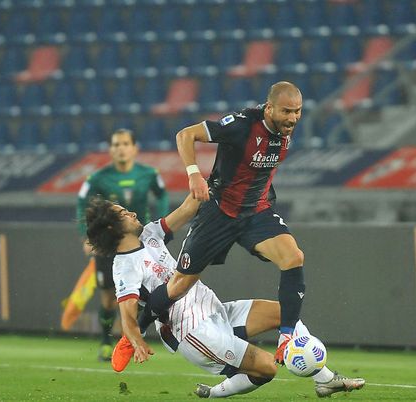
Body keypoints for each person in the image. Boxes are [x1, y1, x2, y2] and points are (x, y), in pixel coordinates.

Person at [84, 196, 366, 398]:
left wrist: (215, 182)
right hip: (192, 330)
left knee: (284, 313)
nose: (131, 212)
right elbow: (128, 315)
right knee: (267, 368)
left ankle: (324, 380)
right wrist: (135, 340)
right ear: (112, 228)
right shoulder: (123, 266)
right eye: (122, 213)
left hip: (215, 308)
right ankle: (216, 393)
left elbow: (189, 206)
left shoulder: (151, 233)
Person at [143, 81, 307, 362]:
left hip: (257, 211)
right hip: (220, 211)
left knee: (293, 257)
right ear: (269, 108)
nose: (293, 118)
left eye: (298, 111)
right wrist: (194, 174)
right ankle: (135, 329)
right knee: (180, 284)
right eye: (286, 111)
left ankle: (287, 338)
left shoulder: (285, 130)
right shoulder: (242, 124)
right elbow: (185, 135)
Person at [76, 128, 169, 361]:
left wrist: (163, 222)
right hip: (111, 245)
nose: (121, 148)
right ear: (110, 150)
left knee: (140, 293)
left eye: (125, 143)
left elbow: (162, 195)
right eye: (116, 144)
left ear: (134, 148)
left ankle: (129, 336)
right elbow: (81, 203)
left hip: (141, 243)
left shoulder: (148, 173)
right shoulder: (98, 178)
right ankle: (106, 341)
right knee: (108, 297)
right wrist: (85, 237)